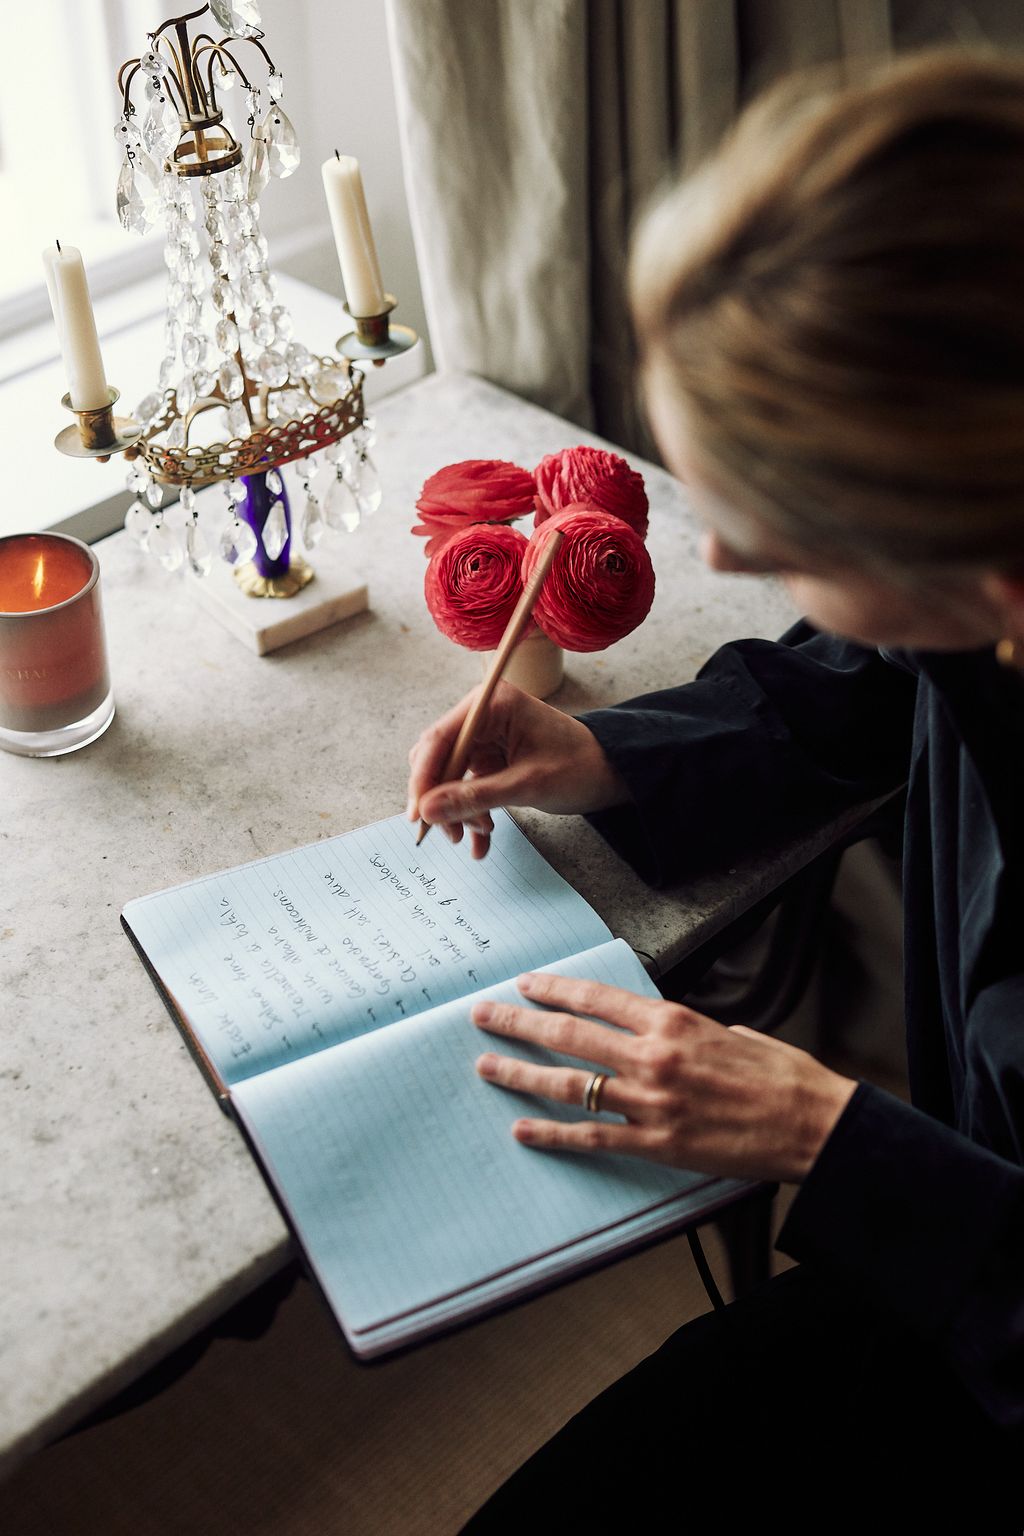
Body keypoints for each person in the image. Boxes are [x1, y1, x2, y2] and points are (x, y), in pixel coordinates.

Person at [406, 50, 1023, 1526]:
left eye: (774, 535)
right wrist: (611, 755)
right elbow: (872, 672)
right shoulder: (982, 592)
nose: (722, 559)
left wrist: (827, 1135)